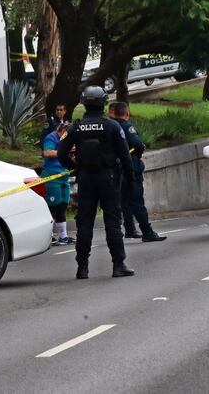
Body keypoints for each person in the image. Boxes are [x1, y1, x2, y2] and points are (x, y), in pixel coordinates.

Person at [58, 86, 135, 280]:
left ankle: (82, 268)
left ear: (84, 102)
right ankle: (118, 265)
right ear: (104, 102)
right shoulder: (112, 126)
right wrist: (130, 180)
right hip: (108, 178)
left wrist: (74, 167)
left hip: (86, 179)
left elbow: (61, 154)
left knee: (84, 224)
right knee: (113, 222)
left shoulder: (75, 127)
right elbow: (126, 156)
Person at [109, 101, 166, 243]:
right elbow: (138, 144)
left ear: (113, 113)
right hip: (130, 167)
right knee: (136, 200)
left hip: (114, 170)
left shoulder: (109, 127)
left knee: (124, 201)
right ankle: (147, 231)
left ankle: (129, 229)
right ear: (127, 113)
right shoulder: (127, 126)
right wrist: (138, 155)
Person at [42, 123, 73, 246]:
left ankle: (63, 236)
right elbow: (47, 153)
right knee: (52, 207)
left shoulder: (68, 139)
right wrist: (63, 152)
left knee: (63, 205)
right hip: (52, 176)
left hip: (64, 176)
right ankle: (48, 236)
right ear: (61, 130)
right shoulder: (51, 138)